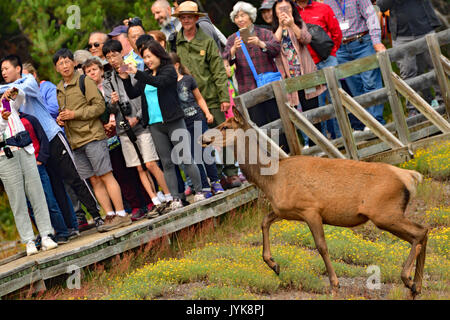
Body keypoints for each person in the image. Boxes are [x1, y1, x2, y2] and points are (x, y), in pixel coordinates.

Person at [0, 55, 102, 235]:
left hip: (52, 136)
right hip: (36, 145)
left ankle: (97, 215)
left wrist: (7, 91)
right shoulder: (6, 90)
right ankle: (70, 226)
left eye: (6, 68)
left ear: (18, 69)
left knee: (73, 178)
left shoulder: (29, 81)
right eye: (1, 70)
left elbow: (18, 90)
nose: (3, 72)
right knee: (55, 186)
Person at [121, 40, 207, 211]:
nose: (147, 60)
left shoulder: (168, 71)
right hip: (154, 124)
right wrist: (125, 79)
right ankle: (175, 198)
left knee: (185, 157)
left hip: (173, 120)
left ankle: (199, 191)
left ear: (159, 55)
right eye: (144, 57)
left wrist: (137, 73)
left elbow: (159, 83)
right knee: (167, 163)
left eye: (150, 56)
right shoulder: (145, 74)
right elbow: (133, 93)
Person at [54, 48, 131, 232]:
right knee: (94, 180)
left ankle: (122, 214)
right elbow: (68, 112)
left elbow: (98, 107)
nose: (64, 66)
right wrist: (62, 119)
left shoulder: (84, 81)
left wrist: (74, 114)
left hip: (93, 136)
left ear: (73, 63)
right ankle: (110, 215)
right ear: (56, 68)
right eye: (60, 63)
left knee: (106, 174)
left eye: (67, 61)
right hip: (76, 141)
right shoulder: (59, 88)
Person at [172, 1, 242, 190]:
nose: (186, 20)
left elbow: (219, 71)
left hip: (211, 96)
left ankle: (231, 172)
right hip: (190, 101)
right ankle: (216, 176)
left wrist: (224, 98)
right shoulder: (175, 42)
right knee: (202, 141)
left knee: (222, 135)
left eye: (189, 17)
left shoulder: (207, 41)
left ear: (196, 19)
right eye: (183, 17)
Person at [102, 40, 172, 218]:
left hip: (141, 124)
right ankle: (155, 200)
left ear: (121, 54)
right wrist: (112, 102)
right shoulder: (108, 78)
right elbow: (109, 109)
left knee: (150, 163)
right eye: (108, 57)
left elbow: (143, 96)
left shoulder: (132, 70)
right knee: (139, 167)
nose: (112, 60)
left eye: (114, 55)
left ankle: (170, 196)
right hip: (124, 129)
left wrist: (137, 117)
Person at [0, 87, 58, 256]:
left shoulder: (5, 100)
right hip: (5, 156)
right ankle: (29, 240)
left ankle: (46, 235)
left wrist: (13, 92)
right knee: (18, 200)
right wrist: (3, 120)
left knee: (37, 194)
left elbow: (20, 98)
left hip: (25, 150)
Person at [224, 2, 284, 144]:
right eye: (237, 17)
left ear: (250, 16)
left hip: (269, 86)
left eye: (243, 15)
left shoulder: (264, 33)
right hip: (248, 88)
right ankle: (268, 154)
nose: (240, 19)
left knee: (278, 119)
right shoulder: (232, 39)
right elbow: (225, 59)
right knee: (258, 124)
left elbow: (276, 49)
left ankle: (285, 149)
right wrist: (233, 51)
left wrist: (261, 43)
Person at [324, 0, 386, 130]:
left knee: (370, 83)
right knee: (355, 88)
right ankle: (367, 122)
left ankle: (377, 123)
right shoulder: (327, 2)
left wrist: (376, 40)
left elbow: (371, 16)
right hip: (342, 49)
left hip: (363, 42)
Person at [170, 52, 225, 197]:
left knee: (205, 151)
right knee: (194, 156)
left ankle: (215, 181)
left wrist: (207, 113)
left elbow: (199, 98)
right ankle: (205, 187)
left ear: (176, 65)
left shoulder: (188, 80)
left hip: (198, 118)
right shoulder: (167, 85)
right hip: (183, 124)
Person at [272, 0, 326, 147]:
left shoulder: (298, 22)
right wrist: (281, 26)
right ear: (275, 12)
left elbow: (306, 39)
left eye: (286, 8)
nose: (283, 11)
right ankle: (306, 145)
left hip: (306, 76)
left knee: (313, 113)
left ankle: (319, 145)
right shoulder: (272, 29)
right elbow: (273, 46)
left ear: (292, 9)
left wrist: (291, 25)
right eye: (280, 9)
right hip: (288, 81)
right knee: (295, 116)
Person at [377, 0, 442, 116]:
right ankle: (413, 109)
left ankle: (442, 101)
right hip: (401, 35)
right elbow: (382, 6)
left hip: (425, 28)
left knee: (435, 66)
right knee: (407, 73)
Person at [20, 111, 70, 244]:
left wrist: (41, 159)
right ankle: (45, 233)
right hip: (20, 170)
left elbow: (43, 140)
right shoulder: (5, 126)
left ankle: (62, 231)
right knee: (30, 205)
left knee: (49, 200)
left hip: (37, 165)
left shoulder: (29, 119)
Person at [295, 0, 343, 139]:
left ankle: (342, 137)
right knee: (316, 105)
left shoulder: (323, 8)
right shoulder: (291, 13)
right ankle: (323, 142)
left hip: (326, 60)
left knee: (336, 98)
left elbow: (336, 33)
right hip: (307, 67)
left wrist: (332, 53)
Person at [157, 0, 227, 53]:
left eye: (176, 8)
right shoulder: (186, 28)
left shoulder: (202, 25)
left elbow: (221, 41)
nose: (174, 11)